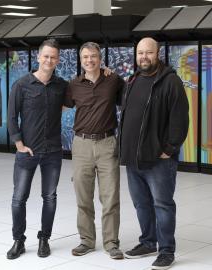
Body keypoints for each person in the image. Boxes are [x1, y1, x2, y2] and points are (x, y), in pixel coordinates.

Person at [120, 37, 189, 270]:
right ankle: (148, 242)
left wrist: (169, 149)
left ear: (157, 54)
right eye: (140, 53)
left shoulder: (170, 81)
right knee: (142, 204)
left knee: (163, 204)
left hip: (159, 161)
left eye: (148, 53)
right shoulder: (133, 80)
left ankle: (167, 250)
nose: (144, 57)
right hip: (133, 158)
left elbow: (180, 119)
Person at [6, 39, 68, 259]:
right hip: (27, 151)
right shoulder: (22, 85)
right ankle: (18, 241)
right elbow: (12, 117)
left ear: (57, 60)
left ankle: (44, 239)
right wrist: (19, 145)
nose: (49, 60)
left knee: (49, 197)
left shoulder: (61, 86)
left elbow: (78, 96)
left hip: (53, 152)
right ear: (38, 57)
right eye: (46, 56)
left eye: (53, 57)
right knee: (18, 198)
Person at [64, 42, 125, 259]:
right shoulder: (73, 85)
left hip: (107, 143)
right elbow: (59, 107)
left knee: (110, 197)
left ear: (100, 58)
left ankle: (111, 242)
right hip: (81, 145)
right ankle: (87, 241)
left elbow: (129, 98)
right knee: (83, 196)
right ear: (81, 61)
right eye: (85, 57)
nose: (89, 60)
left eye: (93, 56)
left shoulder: (113, 80)